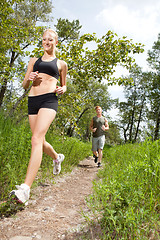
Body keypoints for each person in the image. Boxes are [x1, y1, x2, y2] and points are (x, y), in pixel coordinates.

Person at [10, 29, 68, 206]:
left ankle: (25, 189)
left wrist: (62, 89)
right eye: (44, 39)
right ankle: (57, 157)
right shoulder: (33, 61)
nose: (46, 42)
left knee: (35, 139)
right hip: (33, 100)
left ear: (56, 42)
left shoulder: (61, 64)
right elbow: (24, 84)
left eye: (50, 39)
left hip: (49, 100)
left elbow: (64, 86)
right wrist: (30, 78)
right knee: (39, 141)